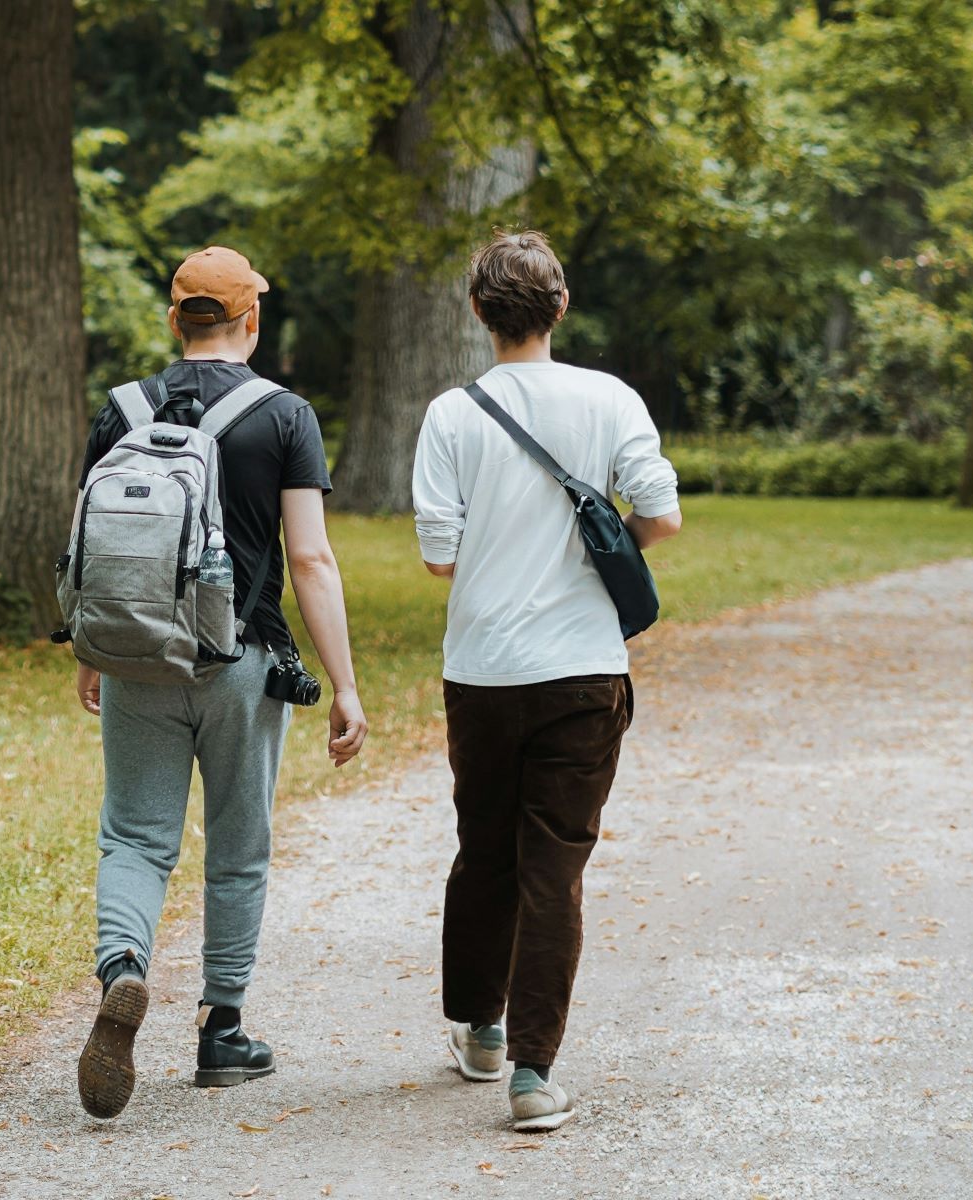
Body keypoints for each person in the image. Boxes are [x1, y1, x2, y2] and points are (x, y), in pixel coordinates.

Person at [74, 246, 368, 1120]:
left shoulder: (120, 408)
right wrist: (345, 685)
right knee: (237, 846)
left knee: (133, 837)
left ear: (174, 320)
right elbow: (308, 558)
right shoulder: (282, 415)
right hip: (240, 661)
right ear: (250, 321)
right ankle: (220, 1031)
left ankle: (124, 969)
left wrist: (91, 652)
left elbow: (99, 550)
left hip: (137, 657)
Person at [412, 230, 683, 1132]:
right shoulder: (610, 399)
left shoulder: (452, 414)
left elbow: (439, 557)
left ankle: (480, 1032)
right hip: (582, 672)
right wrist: (599, 550)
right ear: (559, 307)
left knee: (482, 850)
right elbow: (662, 517)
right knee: (552, 871)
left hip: (483, 670)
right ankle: (533, 1076)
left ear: (479, 313)